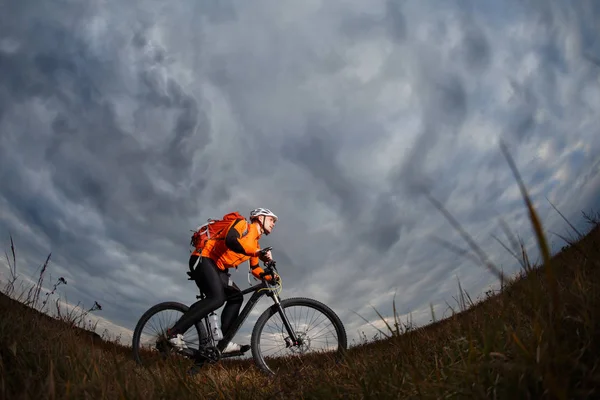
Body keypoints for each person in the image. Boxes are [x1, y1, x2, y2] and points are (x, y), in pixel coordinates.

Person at [167, 207, 280, 355]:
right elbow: (231, 240)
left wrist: (271, 277)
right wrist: (258, 253)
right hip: (204, 258)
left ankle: (224, 342)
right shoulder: (242, 225)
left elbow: (255, 268)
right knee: (217, 298)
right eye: (271, 220)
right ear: (260, 217)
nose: (273, 224)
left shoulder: (255, 244)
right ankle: (174, 333)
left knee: (236, 297)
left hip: (217, 268)